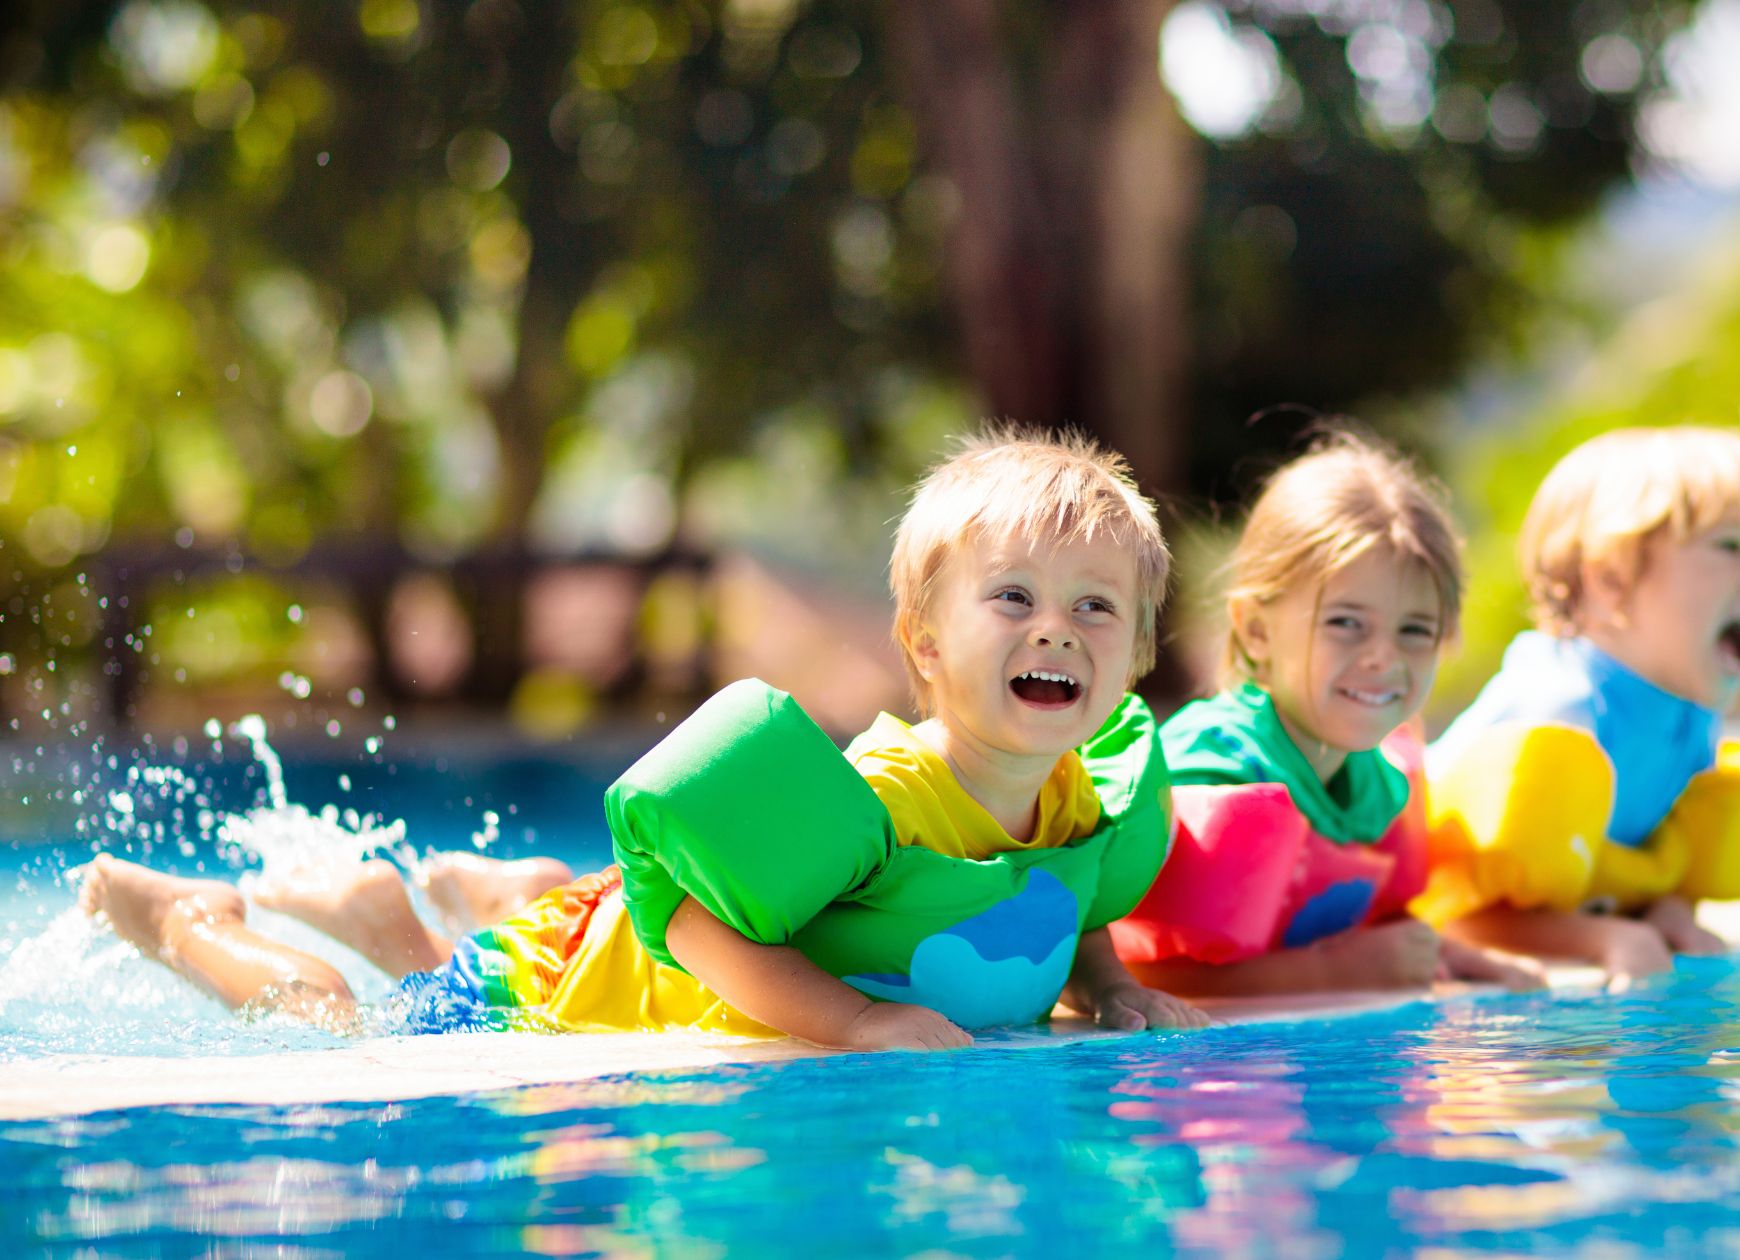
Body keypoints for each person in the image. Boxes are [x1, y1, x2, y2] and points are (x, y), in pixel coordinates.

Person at [82, 429, 1208, 1050]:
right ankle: (194, 921)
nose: (1055, 627)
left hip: (600, 929)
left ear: (1134, 658)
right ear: (920, 644)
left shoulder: (1072, 801)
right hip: (569, 982)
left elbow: (1067, 901)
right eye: (1012, 599)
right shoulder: (881, 796)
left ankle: (478, 891)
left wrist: (1106, 990)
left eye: (1094, 608)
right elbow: (696, 925)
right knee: (351, 1033)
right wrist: (855, 1019)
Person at [1110, 430, 1542, 996]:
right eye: (1346, 623)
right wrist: (1328, 972)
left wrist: (1456, 958)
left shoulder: (1373, 779)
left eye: (1415, 630)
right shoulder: (1211, 768)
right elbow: (1129, 972)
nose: (1383, 657)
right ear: (1257, 630)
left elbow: (1373, 930)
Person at [1420, 426, 1740, 989]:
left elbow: (1653, 858)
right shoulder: (1562, 710)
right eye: (1729, 547)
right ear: (1609, 580)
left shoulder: (1689, 715)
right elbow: (1453, 911)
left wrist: (1669, 912)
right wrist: (1602, 939)